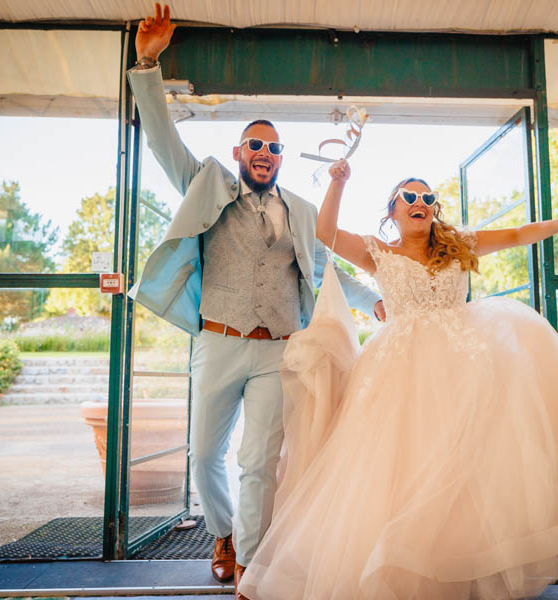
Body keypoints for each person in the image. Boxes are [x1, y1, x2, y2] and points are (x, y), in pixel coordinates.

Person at [239, 160, 558, 599]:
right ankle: (398, 567)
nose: (420, 202)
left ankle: (467, 565)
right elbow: (325, 234)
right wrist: (337, 184)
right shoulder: (378, 252)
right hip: (399, 374)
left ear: (433, 209)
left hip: (465, 368)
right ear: (394, 211)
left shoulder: (459, 245)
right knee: (400, 465)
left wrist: (554, 224)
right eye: (410, 197)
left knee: (469, 464)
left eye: (427, 198)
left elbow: (515, 236)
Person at [129, 6, 383, 597]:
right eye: (255, 144)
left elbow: (325, 268)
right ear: (240, 152)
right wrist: (147, 64)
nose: (264, 153)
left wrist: (373, 301)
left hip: (278, 348)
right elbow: (164, 139)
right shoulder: (208, 182)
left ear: (282, 157)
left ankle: (249, 560)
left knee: (258, 463)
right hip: (217, 341)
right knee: (204, 456)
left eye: (273, 146)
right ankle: (221, 534)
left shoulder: (298, 207)